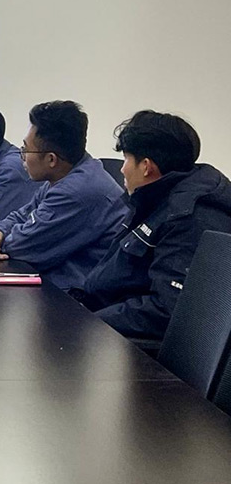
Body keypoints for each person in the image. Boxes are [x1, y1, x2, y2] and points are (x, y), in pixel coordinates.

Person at [76, 111, 231, 343]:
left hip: (138, 347)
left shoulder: (188, 218)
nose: (122, 169)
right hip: (109, 318)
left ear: (146, 167)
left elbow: (165, 310)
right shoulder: (156, 199)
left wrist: (88, 323)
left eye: (127, 159)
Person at [0, 101, 127, 289]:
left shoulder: (76, 191)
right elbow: (22, 215)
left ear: (51, 159)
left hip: (79, 297)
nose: (22, 156)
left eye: (25, 149)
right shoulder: (64, 175)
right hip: (60, 281)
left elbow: (25, 247)